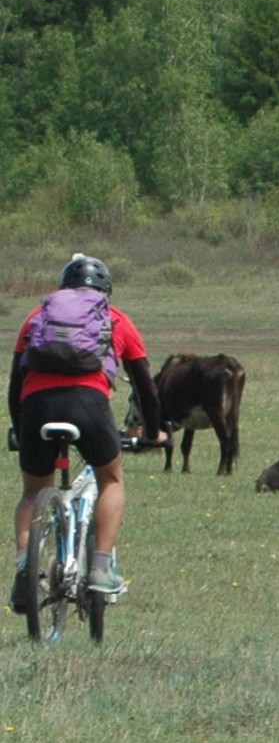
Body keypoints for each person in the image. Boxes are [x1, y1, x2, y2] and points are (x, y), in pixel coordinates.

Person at [10, 254, 161, 608]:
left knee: (33, 492)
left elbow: (16, 384)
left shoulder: (37, 317)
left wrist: (20, 429)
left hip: (36, 407)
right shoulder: (116, 319)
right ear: (105, 289)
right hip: (89, 406)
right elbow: (146, 389)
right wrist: (153, 432)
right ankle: (100, 569)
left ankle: (24, 570)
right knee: (111, 478)